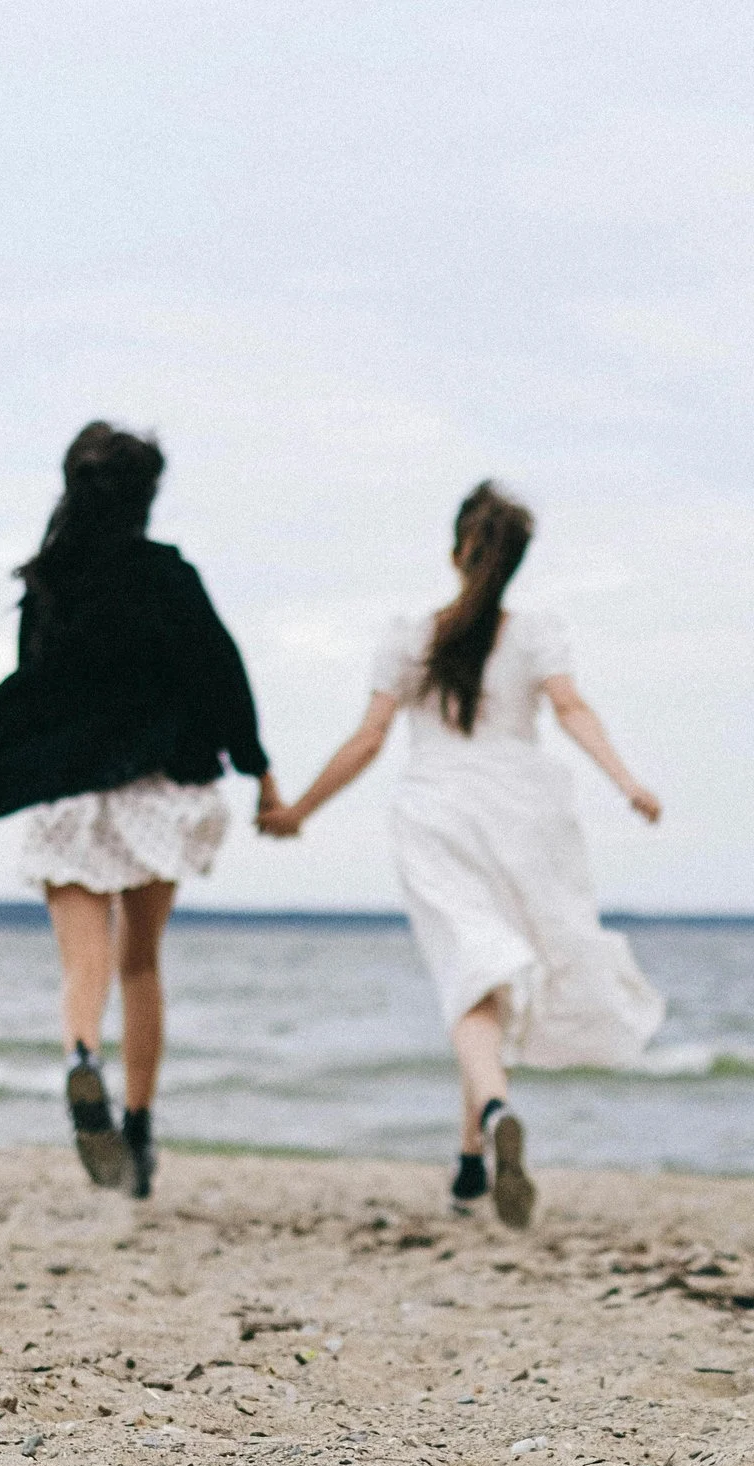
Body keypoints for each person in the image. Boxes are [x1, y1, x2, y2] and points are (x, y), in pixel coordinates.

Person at [257, 481, 662, 1228]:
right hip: (525, 810)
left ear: (455, 552)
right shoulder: (536, 632)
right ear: (514, 565)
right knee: (486, 975)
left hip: (439, 811)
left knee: (470, 976)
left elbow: (368, 738)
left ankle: (492, 1116)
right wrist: (628, 782)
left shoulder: (410, 635)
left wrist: (298, 812)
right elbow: (572, 709)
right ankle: (471, 1163)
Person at [0, 421, 278, 1200]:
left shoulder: (48, 582)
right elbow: (221, 672)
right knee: (140, 962)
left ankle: (82, 1061)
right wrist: (259, 771)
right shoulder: (166, 577)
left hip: (69, 798)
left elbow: (33, 691)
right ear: (147, 496)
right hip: (154, 793)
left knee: (85, 964)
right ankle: (137, 1132)